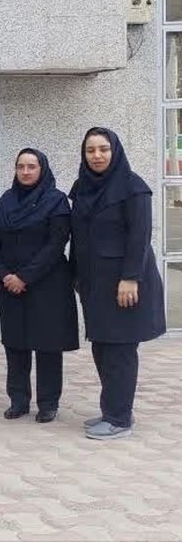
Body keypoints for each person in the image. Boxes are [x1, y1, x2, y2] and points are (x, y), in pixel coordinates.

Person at [69, 127, 166, 440]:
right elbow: (78, 237)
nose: (97, 156)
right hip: (94, 284)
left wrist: (130, 278)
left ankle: (119, 419)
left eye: (103, 149)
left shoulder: (133, 188)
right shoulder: (82, 187)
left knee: (120, 350)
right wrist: (76, 275)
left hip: (124, 285)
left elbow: (140, 237)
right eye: (90, 150)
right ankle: (113, 409)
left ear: (115, 151)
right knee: (102, 346)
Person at [0, 149, 77, 423]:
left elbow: (56, 243)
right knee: (15, 344)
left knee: (48, 345)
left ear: (42, 169)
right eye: (20, 167)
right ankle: (18, 400)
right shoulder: (5, 201)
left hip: (47, 284)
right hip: (10, 285)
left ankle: (48, 403)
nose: (25, 172)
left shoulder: (56, 201)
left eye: (31, 167)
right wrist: (5, 275)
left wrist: (24, 277)